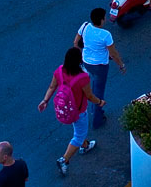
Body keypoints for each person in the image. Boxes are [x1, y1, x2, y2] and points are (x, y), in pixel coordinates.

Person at [38, 47, 103, 175]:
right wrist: (99, 102)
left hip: (66, 108)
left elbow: (52, 86)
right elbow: (89, 96)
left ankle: (84, 145)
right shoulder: (83, 77)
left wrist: (45, 100)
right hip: (79, 111)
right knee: (78, 135)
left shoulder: (60, 70)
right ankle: (64, 159)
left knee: (79, 130)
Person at [75, 8, 125, 130]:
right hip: (100, 66)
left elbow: (76, 42)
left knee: (95, 84)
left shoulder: (85, 26)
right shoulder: (106, 35)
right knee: (99, 91)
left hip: (87, 62)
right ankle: (97, 119)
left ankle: (94, 109)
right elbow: (113, 54)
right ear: (102, 20)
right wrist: (121, 65)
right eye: (104, 17)